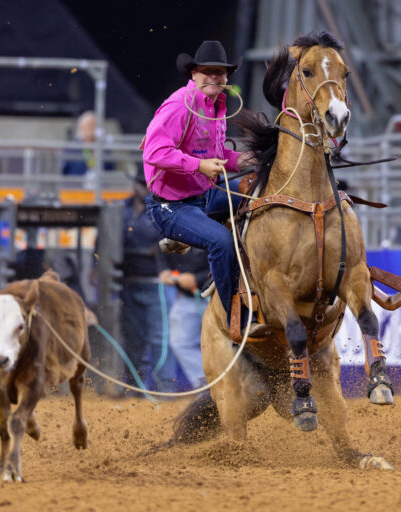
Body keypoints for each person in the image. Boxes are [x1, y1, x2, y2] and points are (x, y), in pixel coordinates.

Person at [142, 40, 267, 337]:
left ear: (226, 78)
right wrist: (198, 167)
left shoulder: (214, 107)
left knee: (257, 190)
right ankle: (237, 318)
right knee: (222, 243)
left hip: (204, 195)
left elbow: (214, 154)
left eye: (220, 73)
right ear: (194, 74)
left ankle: (192, 238)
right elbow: (153, 153)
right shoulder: (178, 106)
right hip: (170, 207)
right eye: (208, 72)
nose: (215, 77)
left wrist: (244, 159)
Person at [118, 172, 178, 391]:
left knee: (160, 338)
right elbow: (106, 239)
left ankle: (165, 388)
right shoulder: (120, 210)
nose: (143, 188)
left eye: (147, 184)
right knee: (133, 338)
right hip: (128, 281)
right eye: (140, 183)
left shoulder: (161, 210)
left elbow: (174, 242)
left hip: (155, 283)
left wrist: (167, 265)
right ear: (134, 184)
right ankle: (134, 387)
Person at [159, 247, 209, 387]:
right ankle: (204, 385)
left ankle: (228, 386)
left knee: (225, 343)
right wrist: (164, 269)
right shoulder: (172, 231)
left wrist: (199, 278)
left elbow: (227, 256)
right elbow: (161, 249)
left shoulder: (217, 228)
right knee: (180, 343)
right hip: (186, 298)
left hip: (216, 297)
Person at [62, 110, 115, 176]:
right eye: (88, 127)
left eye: (94, 127)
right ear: (81, 128)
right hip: (75, 184)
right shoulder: (71, 149)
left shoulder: (105, 150)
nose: (91, 130)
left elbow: (110, 170)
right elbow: (64, 172)